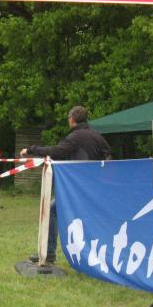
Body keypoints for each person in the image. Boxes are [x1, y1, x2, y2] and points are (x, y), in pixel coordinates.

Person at [20, 106, 111, 263]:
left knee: (51, 211)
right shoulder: (98, 137)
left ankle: (49, 252)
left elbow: (56, 151)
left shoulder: (76, 137)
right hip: (96, 189)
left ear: (72, 119)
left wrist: (31, 150)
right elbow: (108, 156)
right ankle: (102, 256)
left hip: (78, 189)